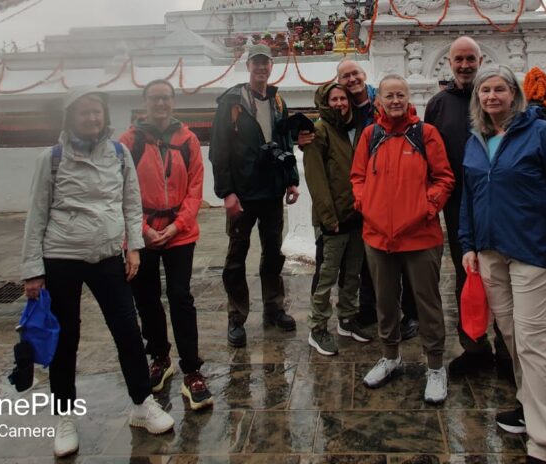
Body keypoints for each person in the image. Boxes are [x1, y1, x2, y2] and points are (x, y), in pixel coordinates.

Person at [21, 87, 174, 458]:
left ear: (105, 116)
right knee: (66, 339)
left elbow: (130, 202)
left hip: (108, 255)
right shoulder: (52, 158)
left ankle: (142, 403)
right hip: (62, 257)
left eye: (97, 112)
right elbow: (36, 213)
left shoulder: (119, 153)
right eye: (84, 113)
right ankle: (64, 416)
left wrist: (133, 246)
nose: (92, 119)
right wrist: (32, 271)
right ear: (70, 117)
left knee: (127, 332)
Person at [461, 65, 546, 464]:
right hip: (490, 252)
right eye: (485, 91)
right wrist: (468, 244)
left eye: (499, 89)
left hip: (532, 252)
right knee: (512, 336)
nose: (491, 96)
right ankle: (527, 406)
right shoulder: (476, 141)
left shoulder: (540, 134)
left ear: (514, 94)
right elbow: (469, 196)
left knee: (534, 343)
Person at [350, 74, 455, 403]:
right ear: (378, 100)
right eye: (389, 96)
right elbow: (358, 177)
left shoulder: (425, 134)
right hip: (378, 236)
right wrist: (366, 204)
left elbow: (444, 178)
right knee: (385, 302)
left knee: (427, 303)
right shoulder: (371, 135)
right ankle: (390, 355)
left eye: (401, 95)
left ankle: (435, 365)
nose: (395, 101)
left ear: (409, 99)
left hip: (420, 235)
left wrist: (427, 207)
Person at [119, 79, 213, 410]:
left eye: (166, 98)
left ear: (173, 103)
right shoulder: (128, 142)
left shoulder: (187, 140)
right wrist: (143, 229)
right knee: (145, 298)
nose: (161, 104)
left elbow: (195, 189)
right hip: (140, 232)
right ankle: (159, 354)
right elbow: (121, 189)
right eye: (155, 98)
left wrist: (176, 226)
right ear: (145, 103)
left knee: (180, 297)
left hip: (179, 232)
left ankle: (192, 368)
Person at [424, 37, 511, 377]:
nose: (464, 65)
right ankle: (473, 346)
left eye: (470, 59)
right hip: (458, 203)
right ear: (449, 62)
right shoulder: (438, 104)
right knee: (467, 274)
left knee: (503, 274)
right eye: (458, 59)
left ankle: (508, 350)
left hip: (499, 202)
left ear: (480, 59)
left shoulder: (494, 98)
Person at [210, 44, 300, 348]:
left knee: (274, 253)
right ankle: (236, 318)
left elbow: (285, 140)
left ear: (271, 66)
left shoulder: (277, 101)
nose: (261, 68)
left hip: (272, 190)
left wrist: (291, 180)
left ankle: (274, 307)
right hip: (242, 193)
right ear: (248, 66)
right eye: (256, 63)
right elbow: (219, 149)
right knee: (236, 256)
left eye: (266, 63)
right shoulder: (232, 102)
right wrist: (227, 193)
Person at [334, 59, 419, 339]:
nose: (352, 79)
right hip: (366, 194)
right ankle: (370, 308)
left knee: (405, 257)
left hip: (398, 190)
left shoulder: (380, 100)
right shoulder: (341, 106)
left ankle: (412, 314)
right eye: (345, 76)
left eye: (355, 73)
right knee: (368, 259)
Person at [303, 81, 372, 355]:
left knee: (352, 273)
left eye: (343, 99)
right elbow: (316, 179)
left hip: (354, 214)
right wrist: (328, 217)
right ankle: (317, 327)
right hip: (332, 219)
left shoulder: (348, 129)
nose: (340, 104)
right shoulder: (319, 131)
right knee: (326, 276)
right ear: (325, 102)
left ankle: (347, 318)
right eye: (334, 99)